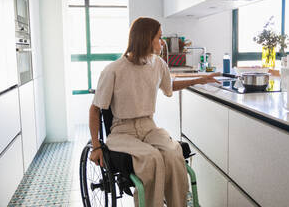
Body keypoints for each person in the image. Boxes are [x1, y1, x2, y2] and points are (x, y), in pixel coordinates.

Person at [89, 17, 220, 207]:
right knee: (152, 159)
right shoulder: (113, 70)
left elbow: (169, 86)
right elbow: (95, 110)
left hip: (149, 127)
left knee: (174, 154)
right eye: (159, 37)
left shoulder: (157, 64)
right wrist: (96, 146)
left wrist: (197, 80)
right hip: (121, 131)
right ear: (145, 38)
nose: (162, 42)